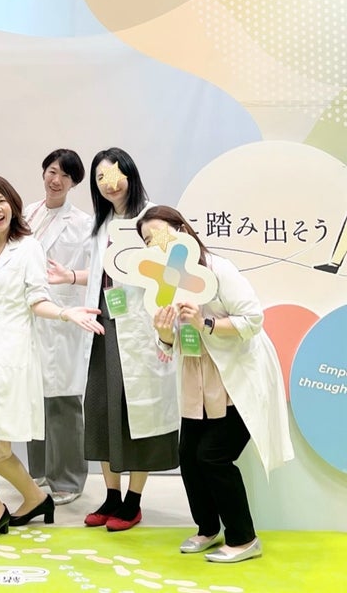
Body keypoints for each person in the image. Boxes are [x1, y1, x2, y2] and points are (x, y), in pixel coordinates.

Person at [0, 175, 104, 545]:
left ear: (12, 204)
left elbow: (36, 299)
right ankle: (35, 498)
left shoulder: (28, 248)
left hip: (9, 356)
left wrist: (66, 313)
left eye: (1, 200)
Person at [137, 205, 294, 563]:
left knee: (213, 455)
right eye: (147, 241)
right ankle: (207, 528)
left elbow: (253, 319)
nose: (155, 245)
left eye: (159, 234)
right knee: (188, 455)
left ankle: (244, 539)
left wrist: (205, 322)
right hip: (197, 378)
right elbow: (168, 344)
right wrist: (164, 334)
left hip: (237, 375)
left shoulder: (218, 269)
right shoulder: (162, 284)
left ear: (182, 230)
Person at [48, 147, 179, 532]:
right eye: (100, 178)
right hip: (103, 324)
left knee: (136, 413)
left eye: (115, 175)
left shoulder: (153, 218)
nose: (109, 184)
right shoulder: (101, 223)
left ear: (130, 174)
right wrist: (72, 277)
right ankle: (111, 496)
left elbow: (172, 270)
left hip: (139, 328)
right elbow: (103, 271)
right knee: (102, 409)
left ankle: (133, 501)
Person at [24, 149, 92, 506]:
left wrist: (71, 276)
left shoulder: (83, 223)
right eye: (52, 171)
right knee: (33, 396)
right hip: (30, 317)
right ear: (43, 172)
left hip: (64, 318)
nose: (56, 180)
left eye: (66, 176)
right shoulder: (26, 215)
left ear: (74, 183)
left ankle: (67, 478)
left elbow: (97, 271)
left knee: (64, 401)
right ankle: (38, 471)